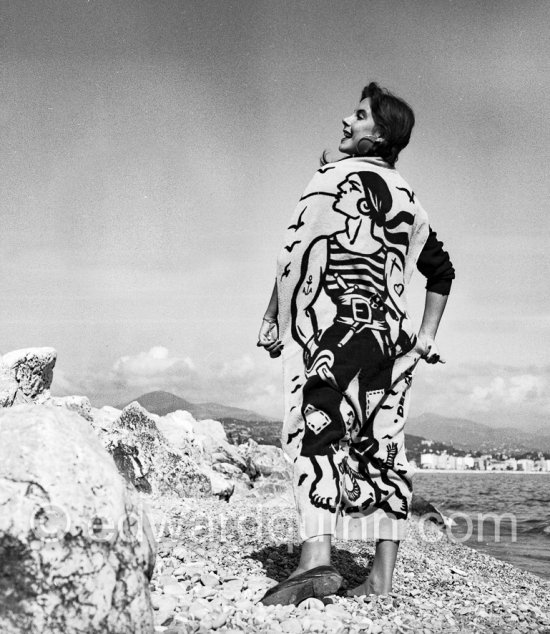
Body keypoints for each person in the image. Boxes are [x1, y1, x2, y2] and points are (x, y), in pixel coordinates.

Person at [257, 82, 454, 606]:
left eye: (360, 114)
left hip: (337, 336)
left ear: (380, 132)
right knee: (383, 447)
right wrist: (427, 336)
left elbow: (294, 259)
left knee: (313, 432)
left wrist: (274, 315)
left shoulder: (330, 181)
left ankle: (316, 558)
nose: (347, 119)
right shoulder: (413, 205)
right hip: (390, 344)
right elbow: (441, 270)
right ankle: (381, 579)